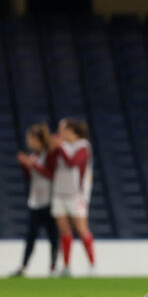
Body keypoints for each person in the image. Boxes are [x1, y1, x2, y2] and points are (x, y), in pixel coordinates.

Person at [12, 123, 59, 277]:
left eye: (31, 138)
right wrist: (25, 166)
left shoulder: (49, 155)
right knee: (30, 236)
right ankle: (24, 266)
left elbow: (52, 175)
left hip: (49, 201)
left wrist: (34, 166)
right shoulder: (34, 156)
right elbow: (31, 178)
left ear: (38, 139)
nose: (28, 141)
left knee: (53, 236)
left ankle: (53, 267)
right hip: (35, 201)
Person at [50, 117, 94, 276]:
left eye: (62, 129)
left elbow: (72, 162)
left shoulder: (82, 146)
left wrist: (60, 146)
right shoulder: (63, 146)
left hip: (76, 194)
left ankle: (92, 266)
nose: (59, 132)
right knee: (64, 232)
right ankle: (66, 267)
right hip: (59, 193)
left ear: (70, 130)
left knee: (82, 229)